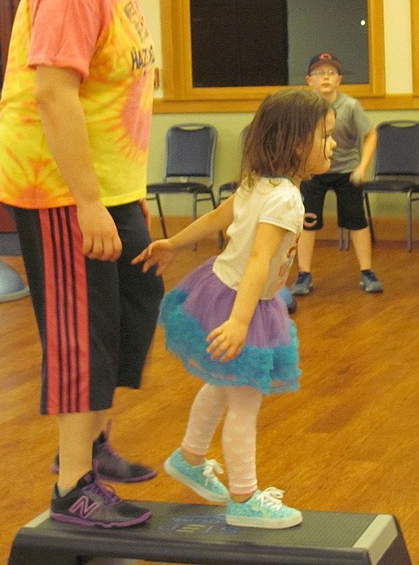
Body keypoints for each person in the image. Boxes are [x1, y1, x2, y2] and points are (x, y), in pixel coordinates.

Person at [0, 0, 182, 528]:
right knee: (81, 330)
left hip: (109, 181)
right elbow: (53, 92)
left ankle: (92, 446)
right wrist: (89, 201)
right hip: (59, 188)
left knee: (135, 294)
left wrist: (115, 193)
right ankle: (73, 487)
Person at [133, 88, 336, 529]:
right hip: (242, 301)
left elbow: (219, 217)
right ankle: (244, 498)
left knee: (223, 383)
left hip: (222, 287)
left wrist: (175, 241)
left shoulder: (259, 182)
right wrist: (241, 322)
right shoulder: (285, 197)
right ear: (299, 143)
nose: (333, 144)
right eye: (327, 136)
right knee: (245, 402)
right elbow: (260, 260)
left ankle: (189, 456)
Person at [290, 52, 384, 296]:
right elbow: (296, 139)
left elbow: (371, 134)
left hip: (346, 171)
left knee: (356, 220)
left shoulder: (351, 106)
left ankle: (367, 271)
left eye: (331, 73)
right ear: (309, 80)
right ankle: (304, 274)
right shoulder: (303, 108)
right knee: (307, 221)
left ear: (339, 80)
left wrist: (362, 167)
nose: (325, 78)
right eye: (320, 73)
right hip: (313, 171)